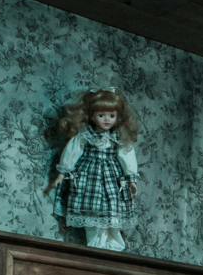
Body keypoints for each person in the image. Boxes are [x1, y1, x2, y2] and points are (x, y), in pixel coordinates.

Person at [48, 88, 141, 250]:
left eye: (111, 116)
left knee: (112, 208)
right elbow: (72, 152)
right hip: (90, 178)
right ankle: (96, 243)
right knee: (93, 211)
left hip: (111, 178)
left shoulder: (117, 138)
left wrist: (131, 179)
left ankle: (113, 244)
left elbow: (127, 156)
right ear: (92, 116)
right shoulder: (85, 136)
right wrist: (63, 173)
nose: (107, 120)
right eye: (101, 115)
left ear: (118, 117)